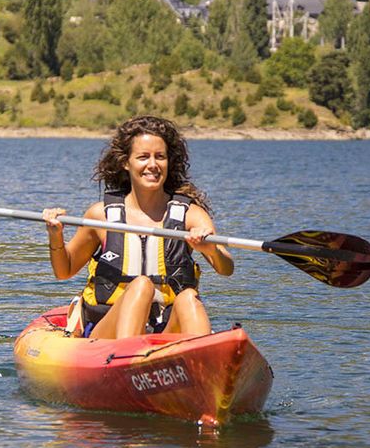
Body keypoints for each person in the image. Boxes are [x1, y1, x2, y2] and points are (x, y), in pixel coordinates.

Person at [42, 115, 234, 339]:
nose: (153, 165)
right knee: (141, 286)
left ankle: (202, 359)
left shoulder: (190, 215)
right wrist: (55, 236)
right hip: (107, 332)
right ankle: (128, 359)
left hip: (164, 328)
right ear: (126, 162)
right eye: (143, 157)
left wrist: (210, 249)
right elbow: (64, 271)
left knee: (188, 297)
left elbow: (226, 268)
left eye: (160, 157)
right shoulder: (101, 215)